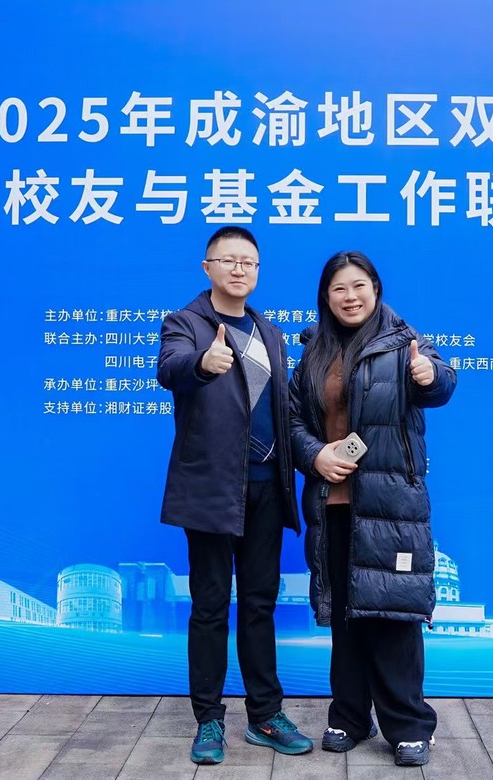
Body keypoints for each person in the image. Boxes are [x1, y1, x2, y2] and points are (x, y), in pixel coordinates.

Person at [289, 250, 456, 767]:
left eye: (359, 285)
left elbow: (443, 382)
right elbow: (293, 421)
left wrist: (428, 375)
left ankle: (409, 725)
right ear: (326, 297)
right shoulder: (313, 352)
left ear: (376, 290)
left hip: (391, 508)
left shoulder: (405, 343)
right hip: (333, 504)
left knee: (394, 618)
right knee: (346, 617)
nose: (350, 296)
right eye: (339, 288)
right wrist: (316, 455)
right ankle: (349, 716)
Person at [157, 226, 313, 765]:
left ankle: (265, 714)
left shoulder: (270, 332)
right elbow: (170, 368)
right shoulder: (185, 323)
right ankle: (208, 719)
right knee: (209, 606)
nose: (240, 268)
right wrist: (203, 364)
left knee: (259, 604)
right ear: (208, 268)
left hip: (268, 487)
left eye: (249, 261)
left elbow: (284, 410)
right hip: (211, 490)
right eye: (229, 259)